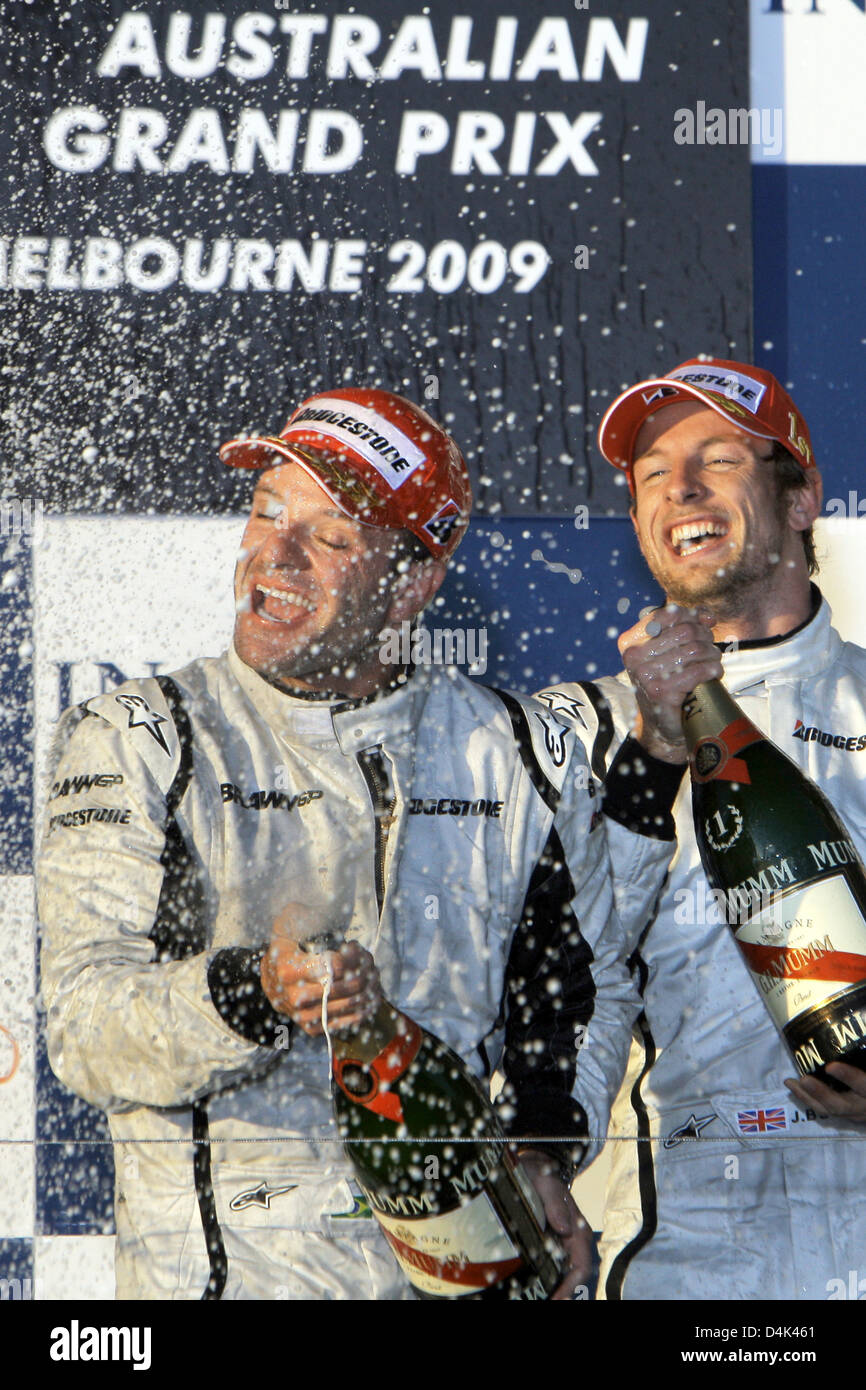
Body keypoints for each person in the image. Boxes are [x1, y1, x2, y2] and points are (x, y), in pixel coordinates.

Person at [38, 386, 672, 1301]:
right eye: (265, 511)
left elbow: (577, 993)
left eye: (331, 536)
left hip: (461, 1275)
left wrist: (541, 1150)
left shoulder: (514, 749)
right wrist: (253, 989)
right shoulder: (142, 737)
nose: (275, 553)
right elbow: (88, 1032)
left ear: (411, 582)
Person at [537, 356, 866, 1300]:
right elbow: (565, 983)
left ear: (802, 502)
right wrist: (543, 1157)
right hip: (698, 1251)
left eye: (717, 458)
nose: (678, 486)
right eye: (650, 475)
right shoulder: (572, 732)